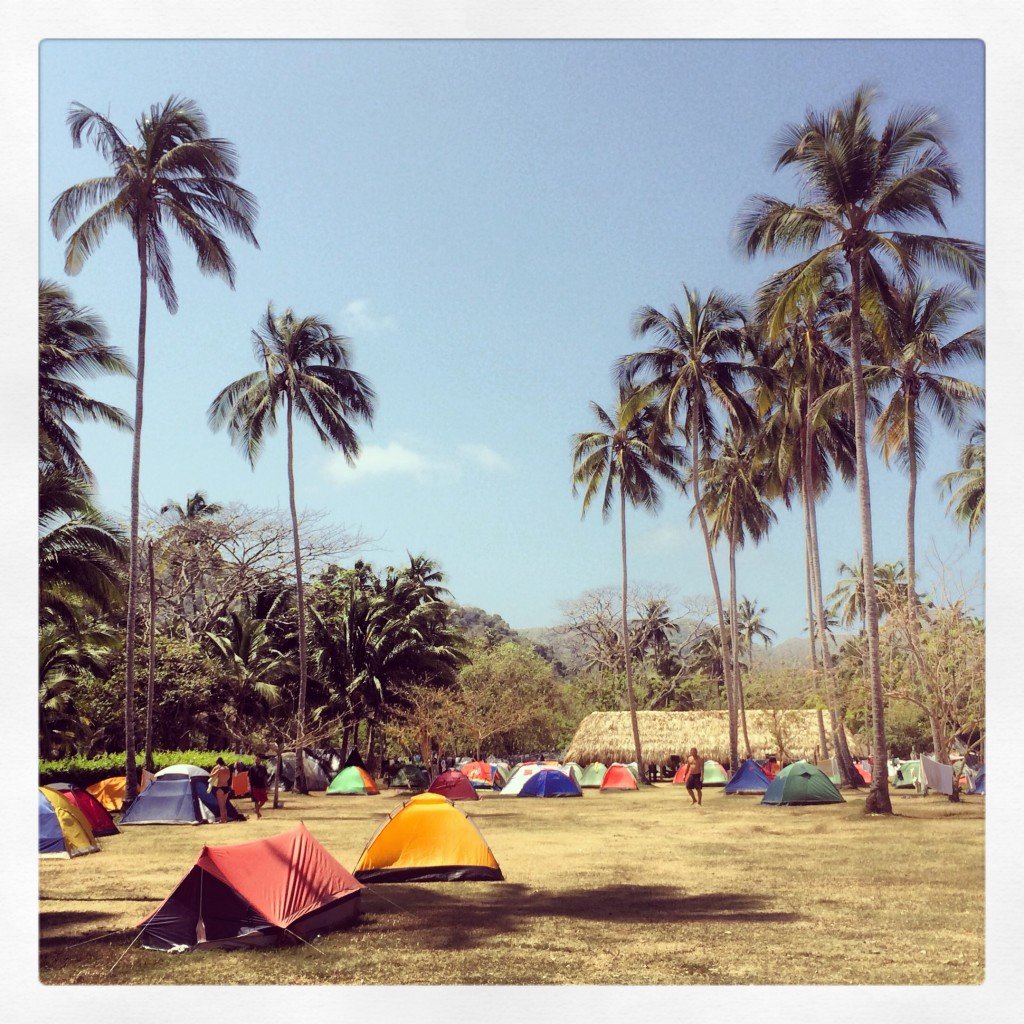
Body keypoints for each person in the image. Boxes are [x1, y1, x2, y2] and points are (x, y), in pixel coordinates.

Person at [210, 756, 232, 823]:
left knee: (221, 805)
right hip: (226, 787)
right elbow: (229, 778)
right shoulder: (227, 768)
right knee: (224, 804)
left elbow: (211, 775)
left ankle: (222, 819)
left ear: (217, 763)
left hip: (220, 787)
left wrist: (216, 769)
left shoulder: (218, 768)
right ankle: (225, 818)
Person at [248, 753, 269, 819]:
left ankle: (257, 809)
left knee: (264, 799)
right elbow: (249, 778)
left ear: (260, 760)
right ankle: (258, 814)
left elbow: (265, 777)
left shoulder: (263, 768)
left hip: (262, 785)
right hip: (255, 786)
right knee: (256, 800)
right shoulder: (252, 768)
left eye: (258, 759)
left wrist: (266, 785)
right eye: (256, 759)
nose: (257, 760)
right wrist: (249, 786)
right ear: (255, 760)